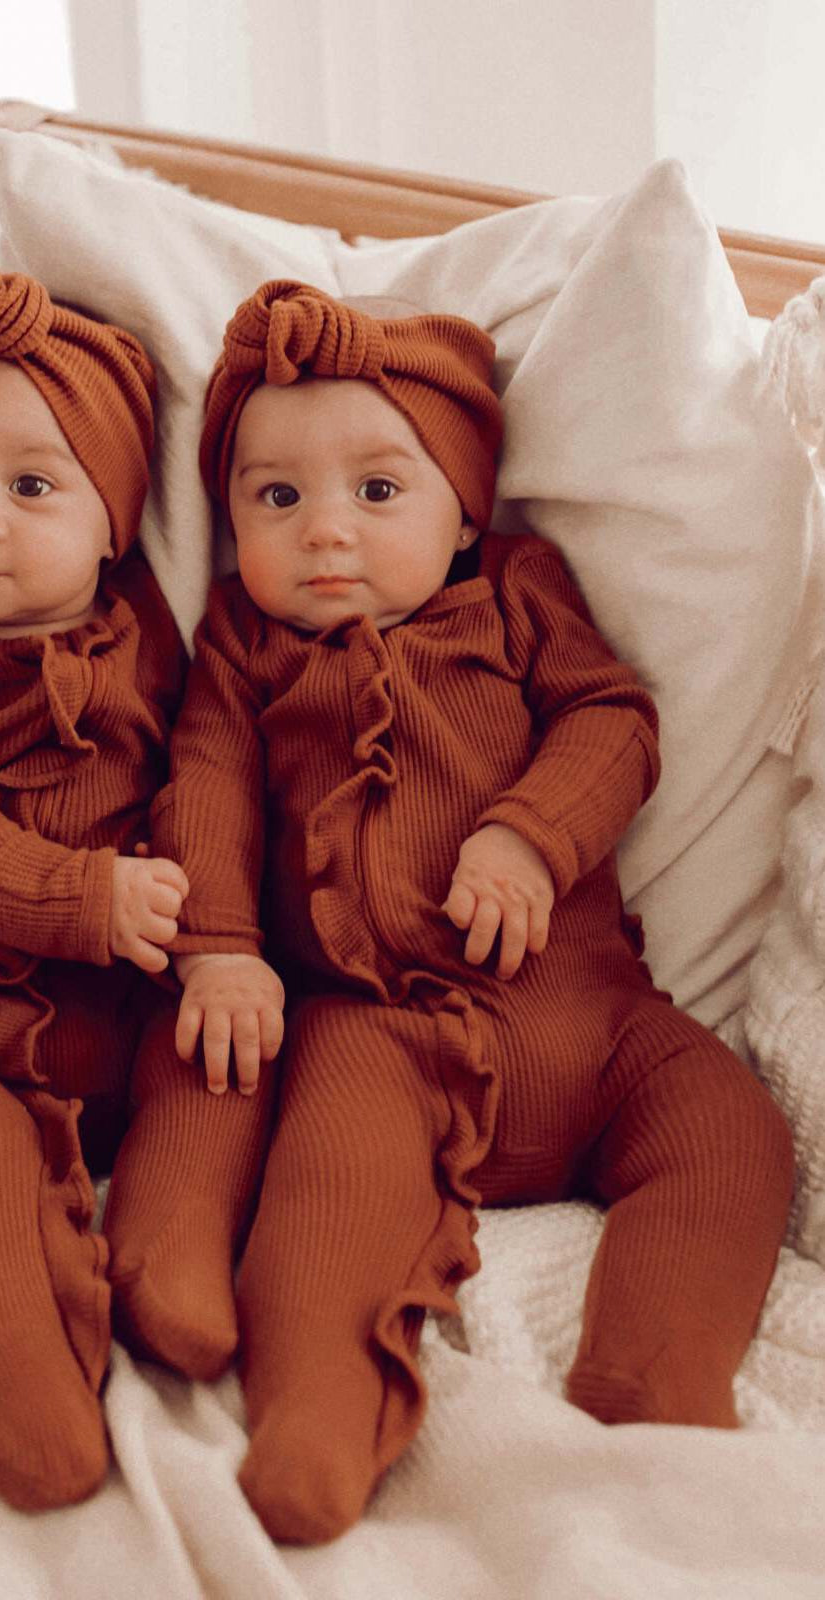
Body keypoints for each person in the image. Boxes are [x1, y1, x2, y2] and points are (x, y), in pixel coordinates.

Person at [109, 279, 796, 1545]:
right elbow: (202, 790)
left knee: (729, 1129)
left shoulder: (518, 595)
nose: (327, 533)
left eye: (378, 490)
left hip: (591, 1021)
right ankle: (315, 1412)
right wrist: (219, 951)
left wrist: (529, 839)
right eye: (277, 497)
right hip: (379, 1029)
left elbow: (612, 721)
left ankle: (657, 1379)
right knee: (326, 1200)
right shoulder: (242, 650)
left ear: (464, 505)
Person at [0, 238, 268, 1512]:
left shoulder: (146, 630)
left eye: (30, 483)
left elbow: (205, 771)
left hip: (134, 995)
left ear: (112, 517)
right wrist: (78, 896)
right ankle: (11, 1365)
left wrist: (218, 939)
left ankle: (171, 1247)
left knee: (232, 1046)